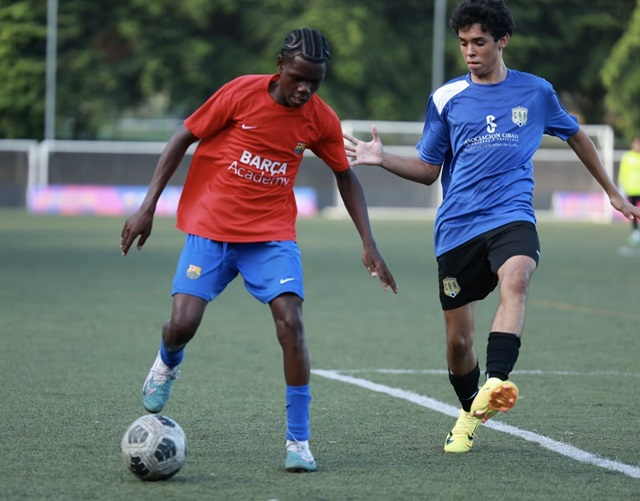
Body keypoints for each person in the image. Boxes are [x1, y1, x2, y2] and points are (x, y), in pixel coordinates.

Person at [344, 0, 640, 454]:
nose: (470, 51)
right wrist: (381, 159)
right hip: (457, 227)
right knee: (458, 342)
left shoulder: (536, 92)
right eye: (463, 43)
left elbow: (576, 134)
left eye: (479, 42)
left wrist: (612, 192)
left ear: (502, 41)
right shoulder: (445, 98)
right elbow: (427, 169)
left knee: (517, 277)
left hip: (511, 214)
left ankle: (498, 380)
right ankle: (470, 410)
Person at [120, 28, 398, 473]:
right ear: (281, 67)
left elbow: (346, 176)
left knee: (292, 323)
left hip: (270, 237)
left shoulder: (319, 118)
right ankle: (167, 362)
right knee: (181, 325)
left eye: (316, 81)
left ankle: (299, 441)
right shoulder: (240, 93)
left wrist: (369, 242)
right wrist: (146, 208)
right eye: (299, 78)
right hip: (211, 229)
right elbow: (181, 138)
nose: (305, 89)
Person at [618, 136, 640, 246]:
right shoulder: (627, 157)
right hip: (631, 189)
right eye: (636, 143)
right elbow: (623, 172)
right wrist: (621, 187)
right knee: (633, 213)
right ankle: (636, 232)